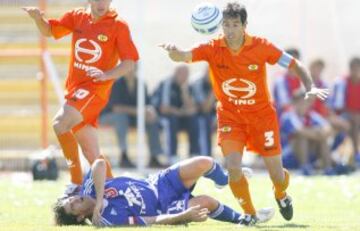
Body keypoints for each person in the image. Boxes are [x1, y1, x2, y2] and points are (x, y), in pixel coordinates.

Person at [160, 2, 329, 225]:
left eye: (235, 25)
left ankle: (281, 194)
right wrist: (174, 52)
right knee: (233, 167)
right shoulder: (212, 47)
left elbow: (295, 64)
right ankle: (249, 214)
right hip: (231, 117)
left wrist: (309, 85)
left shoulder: (261, 46)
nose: (230, 30)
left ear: (244, 26)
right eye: (226, 25)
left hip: (262, 118)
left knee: (277, 175)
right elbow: (183, 56)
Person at [23, 0, 139, 196]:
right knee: (92, 153)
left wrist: (106, 75)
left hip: (94, 91)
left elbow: (129, 63)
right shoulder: (77, 16)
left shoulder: (118, 25)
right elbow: (50, 31)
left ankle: (76, 182)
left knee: (60, 123)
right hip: (76, 91)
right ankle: (114, 193)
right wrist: (37, 19)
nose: (103, 3)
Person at [53, 156, 275, 226]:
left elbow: (99, 163)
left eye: (71, 198)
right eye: (73, 205)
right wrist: (183, 217)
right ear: (81, 216)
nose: (75, 199)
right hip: (163, 206)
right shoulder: (110, 220)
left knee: (204, 162)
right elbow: (152, 220)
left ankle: (226, 179)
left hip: (158, 183)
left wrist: (99, 198)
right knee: (206, 201)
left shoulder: (90, 189)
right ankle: (245, 220)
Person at [100, 65, 165, 168]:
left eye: (133, 67)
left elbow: (147, 103)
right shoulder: (115, 83)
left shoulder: (141, 84)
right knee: (120, 117)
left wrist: (150, 110)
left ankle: (154, 157)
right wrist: (139, 111)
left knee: (151, 120)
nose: (130, 70)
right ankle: (123, 155)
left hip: (130, 117)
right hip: (108, 117)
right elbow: (116, 108)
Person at [153, 65, 200, 163]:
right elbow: (163, 108)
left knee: (194, 120)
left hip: (180, 117)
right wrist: (180, 112)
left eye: (187, 75)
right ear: (175, 73)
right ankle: (172, 155)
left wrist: (185, 92)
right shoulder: (166, 84)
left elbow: (192, 109)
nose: (185, 77)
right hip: (164, 118)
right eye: (182, 74)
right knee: (172, 121)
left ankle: (194, 153)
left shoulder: (188, 86)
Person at [280, 90, 334, 175]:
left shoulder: (311, 115)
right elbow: (299, 132)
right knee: (302, 138)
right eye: (300, 103)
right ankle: (304, 167)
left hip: (310, 154)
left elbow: (328, 129)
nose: (303, 105)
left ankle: (327, 168)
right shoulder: (288, 117)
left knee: (322, 140)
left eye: (305, 103)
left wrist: (319, 134)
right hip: (289, 157)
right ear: (294, 103)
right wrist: (317, 133)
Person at [332, 57, 360, 167]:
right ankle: (355, 153)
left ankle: (355, 154)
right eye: (353, 68)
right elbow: (338, 107)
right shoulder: (342, 82)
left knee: (355, 122)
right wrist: (354, 115)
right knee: (352, 124)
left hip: (356, 116)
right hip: (343, 115)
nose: (355, 71)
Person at [191, 68, 217, 156]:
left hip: (217, 115)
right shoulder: (198, 83)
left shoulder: (224, 81)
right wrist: (215, 88)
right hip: (200, 115)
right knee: (206, 120)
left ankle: (230, 159)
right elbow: (205, 108)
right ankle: (206, 156)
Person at [272, 48, 302, 115]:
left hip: (296, 116)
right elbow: (284, 104)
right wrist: (296, 97)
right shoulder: (280, 80)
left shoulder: (301, 80)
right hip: (282, 118)